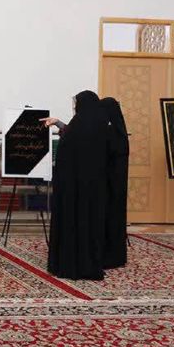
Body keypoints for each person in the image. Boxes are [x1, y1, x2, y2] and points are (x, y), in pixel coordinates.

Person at [40, 90, 109, 280]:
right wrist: (58, 122)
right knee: (89, 226)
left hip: (72, 190)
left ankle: (70, 264)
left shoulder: (78, 127)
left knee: (73, 224)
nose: (74, 108)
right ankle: (88, 263)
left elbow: (69, 146)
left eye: (75, 105)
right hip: (93, 190)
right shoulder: (99, 126)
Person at [100, 96, 130, 268]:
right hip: (118, 185)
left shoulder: (110, 132)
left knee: (109, 220)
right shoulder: (120, 132)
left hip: (109, 185)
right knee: (116, 220)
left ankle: (109, 256)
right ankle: (117, 256)